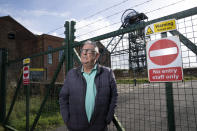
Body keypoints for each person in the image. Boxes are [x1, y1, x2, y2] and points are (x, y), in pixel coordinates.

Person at [59, 40, 118, 131]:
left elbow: (114, 96)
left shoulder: (107, 73)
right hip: (75, 126)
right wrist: (67, 119)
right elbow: (63, 97)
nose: (85, 54)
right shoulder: (71, 74)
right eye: (83, 51)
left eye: (89, 51)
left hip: (99, 126)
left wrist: (108, 118)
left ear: (97, 55)